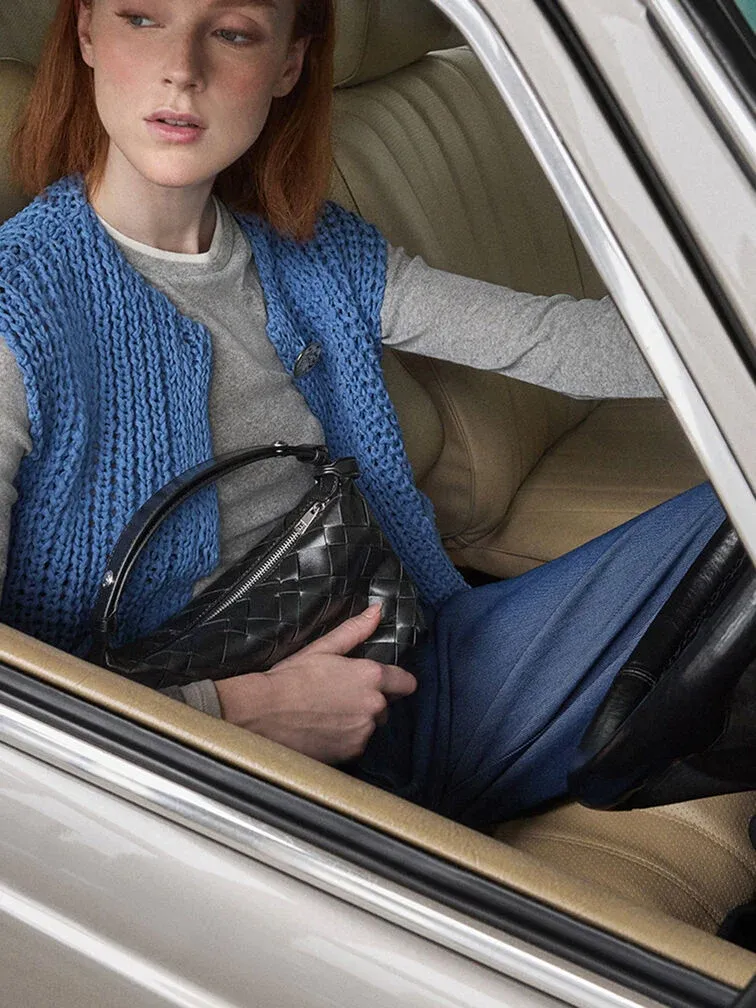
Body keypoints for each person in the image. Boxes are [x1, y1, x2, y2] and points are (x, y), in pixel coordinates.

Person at [0, 0, 725, 827]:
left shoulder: (314, 251)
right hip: (225, 780)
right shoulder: (20, 305)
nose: (181, 69)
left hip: (426, 667)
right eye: (141, 18)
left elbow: (551, 340)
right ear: (86, 32)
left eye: (232, 32)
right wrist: (241, 713)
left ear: (288, 64)